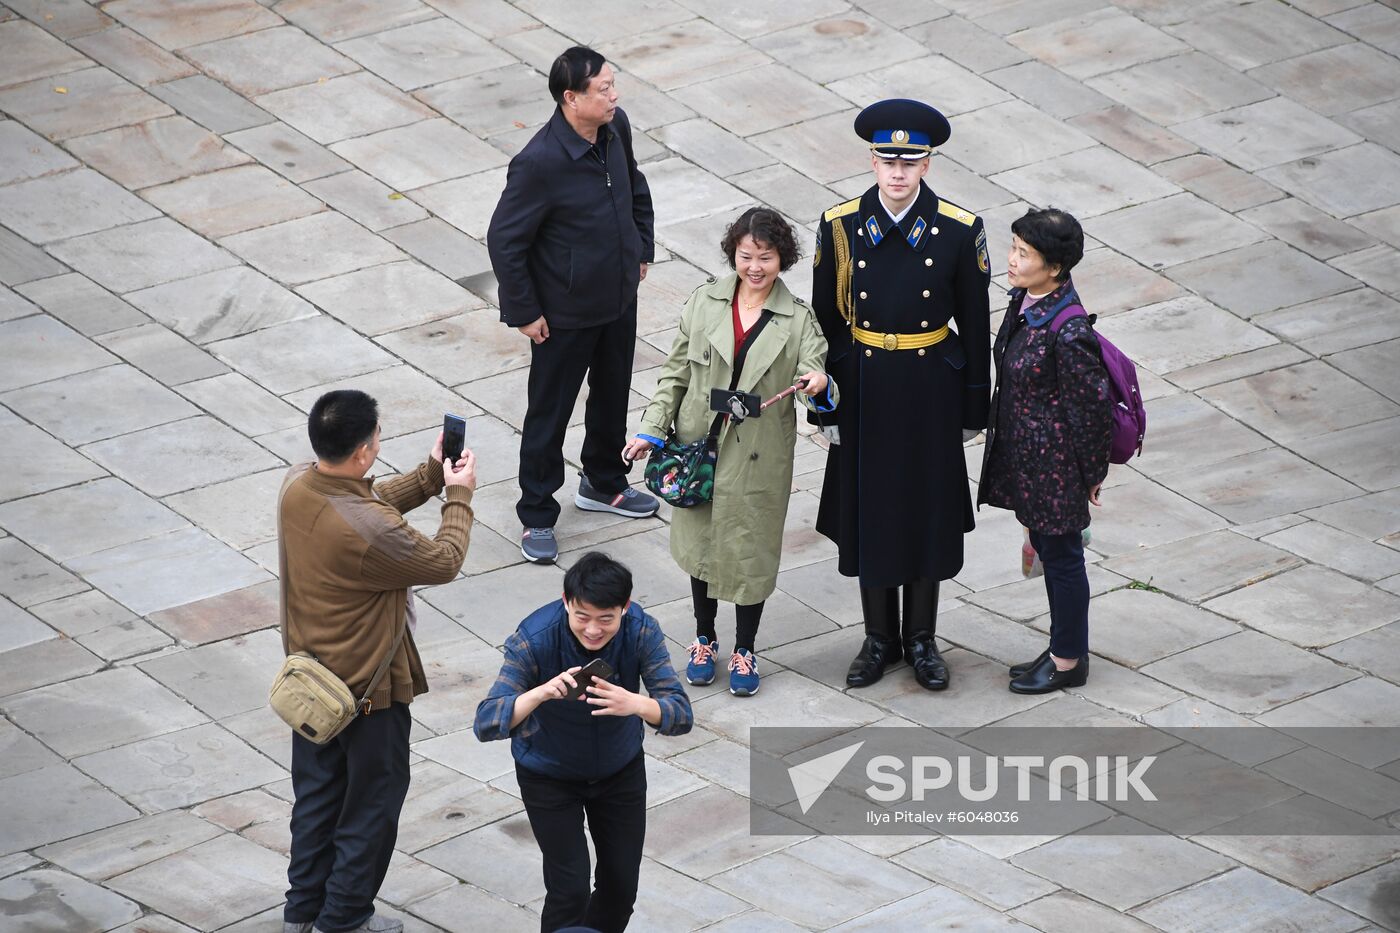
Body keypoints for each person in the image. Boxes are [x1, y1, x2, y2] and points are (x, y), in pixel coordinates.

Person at [810, 99, 992, 692]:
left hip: (930, 390)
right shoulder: (839, 226)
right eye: (888, 159)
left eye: (910, 161)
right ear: (871, 159)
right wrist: (827, 403)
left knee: (926, 513)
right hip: (865, 387)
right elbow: (825, 323)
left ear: (928, 165)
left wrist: (973, 405)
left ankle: (922, 638)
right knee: (872, 510)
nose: (897, 171)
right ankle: (878, 637)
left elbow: (975, 321)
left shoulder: (961, 230)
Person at [279, 390, 477, 933]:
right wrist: (457, 497)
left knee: (317, 801)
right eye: (378, 440)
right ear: (364, 451)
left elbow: (367, 504)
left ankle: (302, 914)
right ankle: (342, 919)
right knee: (370, 809)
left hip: (312, 684)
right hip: (368, 694)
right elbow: (442, 560)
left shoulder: (297, 485)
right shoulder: (367, 531)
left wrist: (430, 475)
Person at [622, 208, 836, 697]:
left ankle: (745, 648)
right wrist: (650, 431)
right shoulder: (704, 303)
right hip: (699, 448)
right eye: (746, 256)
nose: (755, 266)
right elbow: (675, 375)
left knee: (750, 550)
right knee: (701, 547)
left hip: (760, 455)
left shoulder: (798, 318)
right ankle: (704, 638)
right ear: (732, 254)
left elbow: (815, 372)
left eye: (766, 257)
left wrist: (819, 384)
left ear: (783, 259)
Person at [487, 46, 658, 566]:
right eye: (603, 89)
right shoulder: (539, 162)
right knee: (551, 411)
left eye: (613, 84)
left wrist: (641, 247)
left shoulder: (615, 127)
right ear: (570, 98)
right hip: (563, 312)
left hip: (617, 296)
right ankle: (537, 512)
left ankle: (604, 481)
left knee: (612, 393)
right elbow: (504, 238)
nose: (614, 96)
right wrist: (524, 311)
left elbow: (635, 186)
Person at [474, 552, 692, 933]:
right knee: (569, 889)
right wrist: (539, 694)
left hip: (620, 771)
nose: (593, 630)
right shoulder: (536, 637)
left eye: (606, 619)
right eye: (582, 617)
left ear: (624, 608)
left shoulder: (640, 630)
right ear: (566, 602)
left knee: (621, 887)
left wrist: (637, 704)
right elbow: (486, 721)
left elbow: (680, 714)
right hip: (548, 776)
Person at [978, 208, 1113, 694]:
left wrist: (1090, 474)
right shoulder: (1027, 301)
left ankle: (1068, 659)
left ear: (1054, 267)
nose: (1011, 260)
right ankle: (1061, 645)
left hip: (1055, 467)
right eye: (1013, 248)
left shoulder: (1069, 329)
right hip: (1031, 460)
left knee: (1063, 558)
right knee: (1052, 553)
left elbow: (1091, 411)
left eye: (1024, 254)